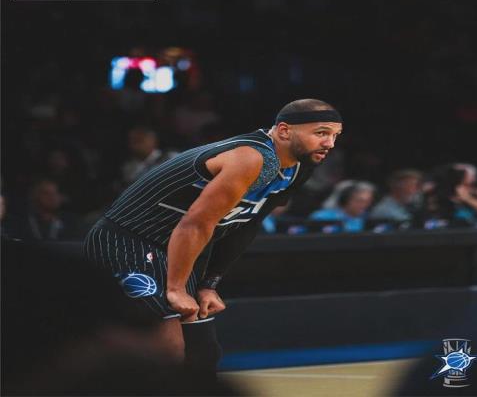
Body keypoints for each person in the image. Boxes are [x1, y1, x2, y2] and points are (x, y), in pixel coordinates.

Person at [84, 98, 343, 374]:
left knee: (203, 352)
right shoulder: (250, 158)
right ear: (284, 131)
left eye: (335, 135)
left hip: (179, 248)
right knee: (168, 347)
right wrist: (176, 289)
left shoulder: (299, 166)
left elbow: (248, 222)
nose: (330, 143)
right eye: (321, 133)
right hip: (129, 240)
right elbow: (195, 224)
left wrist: (209, 283)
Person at [310, 180, 375, 232]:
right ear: (345, 199)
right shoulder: (322, 217)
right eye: (360, 201)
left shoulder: (369, 219)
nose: (365, 205)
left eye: (368, 201)